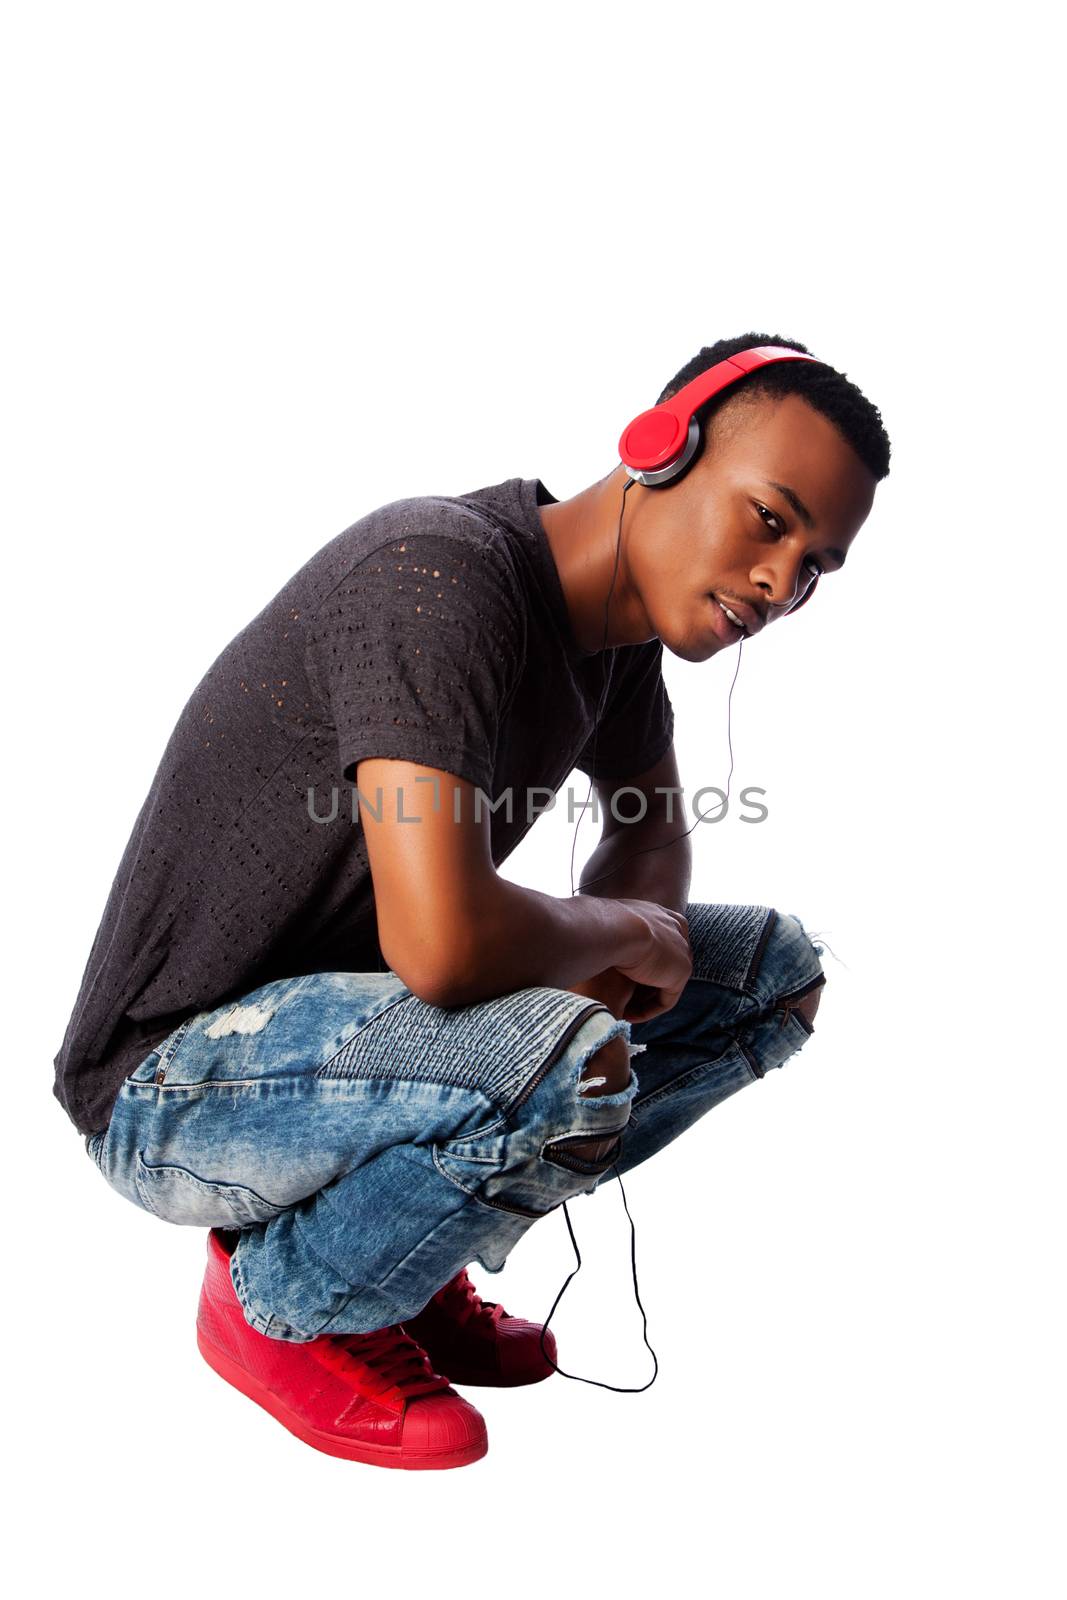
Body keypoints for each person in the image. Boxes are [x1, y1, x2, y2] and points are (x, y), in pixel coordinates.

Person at [55, 331, 891, 1471]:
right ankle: (279, 1300)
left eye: (814, 565)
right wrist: (605, 948)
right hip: (170, 1087)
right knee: (567, 1048)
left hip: (350, 1041)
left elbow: (647, 859)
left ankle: (398, 1254)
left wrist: (614, 944)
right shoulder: (436, 579)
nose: (781, 581)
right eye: (768, 518)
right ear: (661, 447)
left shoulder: (619, 651)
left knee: (767, 980)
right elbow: (444, 947)